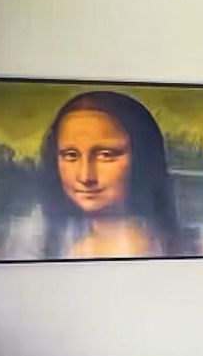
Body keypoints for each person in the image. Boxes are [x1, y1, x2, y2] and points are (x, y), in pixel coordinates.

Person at [38, 90, 181, 258]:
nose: (85, 176)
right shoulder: (69, 247)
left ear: (142, 158)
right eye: (71, 155)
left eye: (106, 155)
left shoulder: (153, 249)